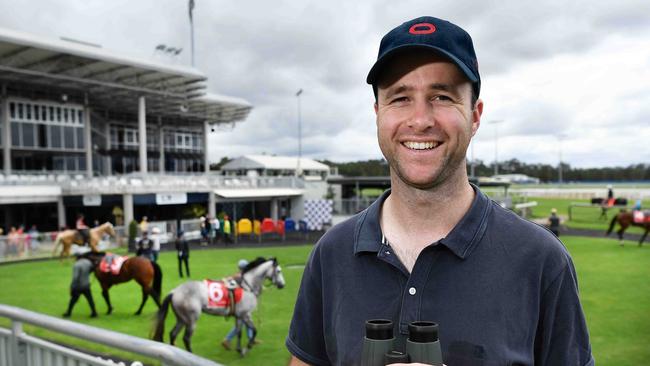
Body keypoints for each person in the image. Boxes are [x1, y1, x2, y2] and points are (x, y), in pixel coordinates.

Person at [286, 16, 594, 366]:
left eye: (442, 96)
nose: (420, 119)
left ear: (475, 116)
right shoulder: (332, 253)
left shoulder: (541, 259)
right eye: (400, 97)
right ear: (377, 114)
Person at [221, 258, 255, 350]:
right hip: (241, 305)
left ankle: (251, 338)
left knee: (248, 321)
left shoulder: (237, 276)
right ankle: (227, 339)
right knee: (242, 324)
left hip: (238, 303)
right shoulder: (242, 277)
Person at [63, 253, 98, 318]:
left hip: (78, 286)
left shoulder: (77, 265)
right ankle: (94, 312)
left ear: (77, 258)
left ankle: (68, 312)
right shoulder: (88, 262)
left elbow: (75, 277)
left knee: (73, 300)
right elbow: (92, 269)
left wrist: (72, 286)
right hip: (86, 285)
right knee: (90, 300)